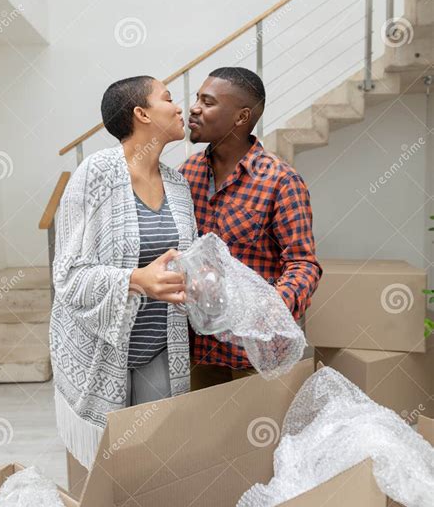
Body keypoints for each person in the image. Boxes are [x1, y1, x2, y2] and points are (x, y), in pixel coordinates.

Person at [50, 76, 197, 476]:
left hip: (161, 346)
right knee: (107, 471)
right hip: (100, 349)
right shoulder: (95, 174)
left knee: (153, 462)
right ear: (142, 113)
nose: (179, 107)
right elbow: (67, 275)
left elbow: (182, 262)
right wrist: (135, 279)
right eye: (168, 98)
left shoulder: (179, 185)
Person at [179, 66, 322, 390]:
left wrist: (265, 312)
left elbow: (303, 265)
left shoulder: (281, 181)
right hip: (198, 351)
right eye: (196, 99)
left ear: (241, 117)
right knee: (201, 438)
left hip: (254, 357)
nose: (194, 108)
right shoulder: (185, 175)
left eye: (208, 101)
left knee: (257, 439)